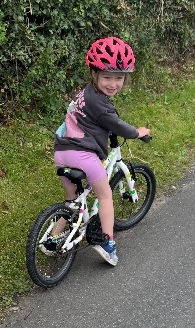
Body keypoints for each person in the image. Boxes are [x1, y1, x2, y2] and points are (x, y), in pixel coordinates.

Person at [52, 36, 150, 266]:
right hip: (82, 156)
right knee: (105, 196)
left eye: (119, 78)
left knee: (72, 200)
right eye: (107, 77)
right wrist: (138, 132)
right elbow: (118, 126)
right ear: (94, 73)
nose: (113, 83)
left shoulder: (86, 94)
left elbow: (90, 121)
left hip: (62, 152)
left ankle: (54, 237)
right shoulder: (102, 106)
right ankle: (107, 243)